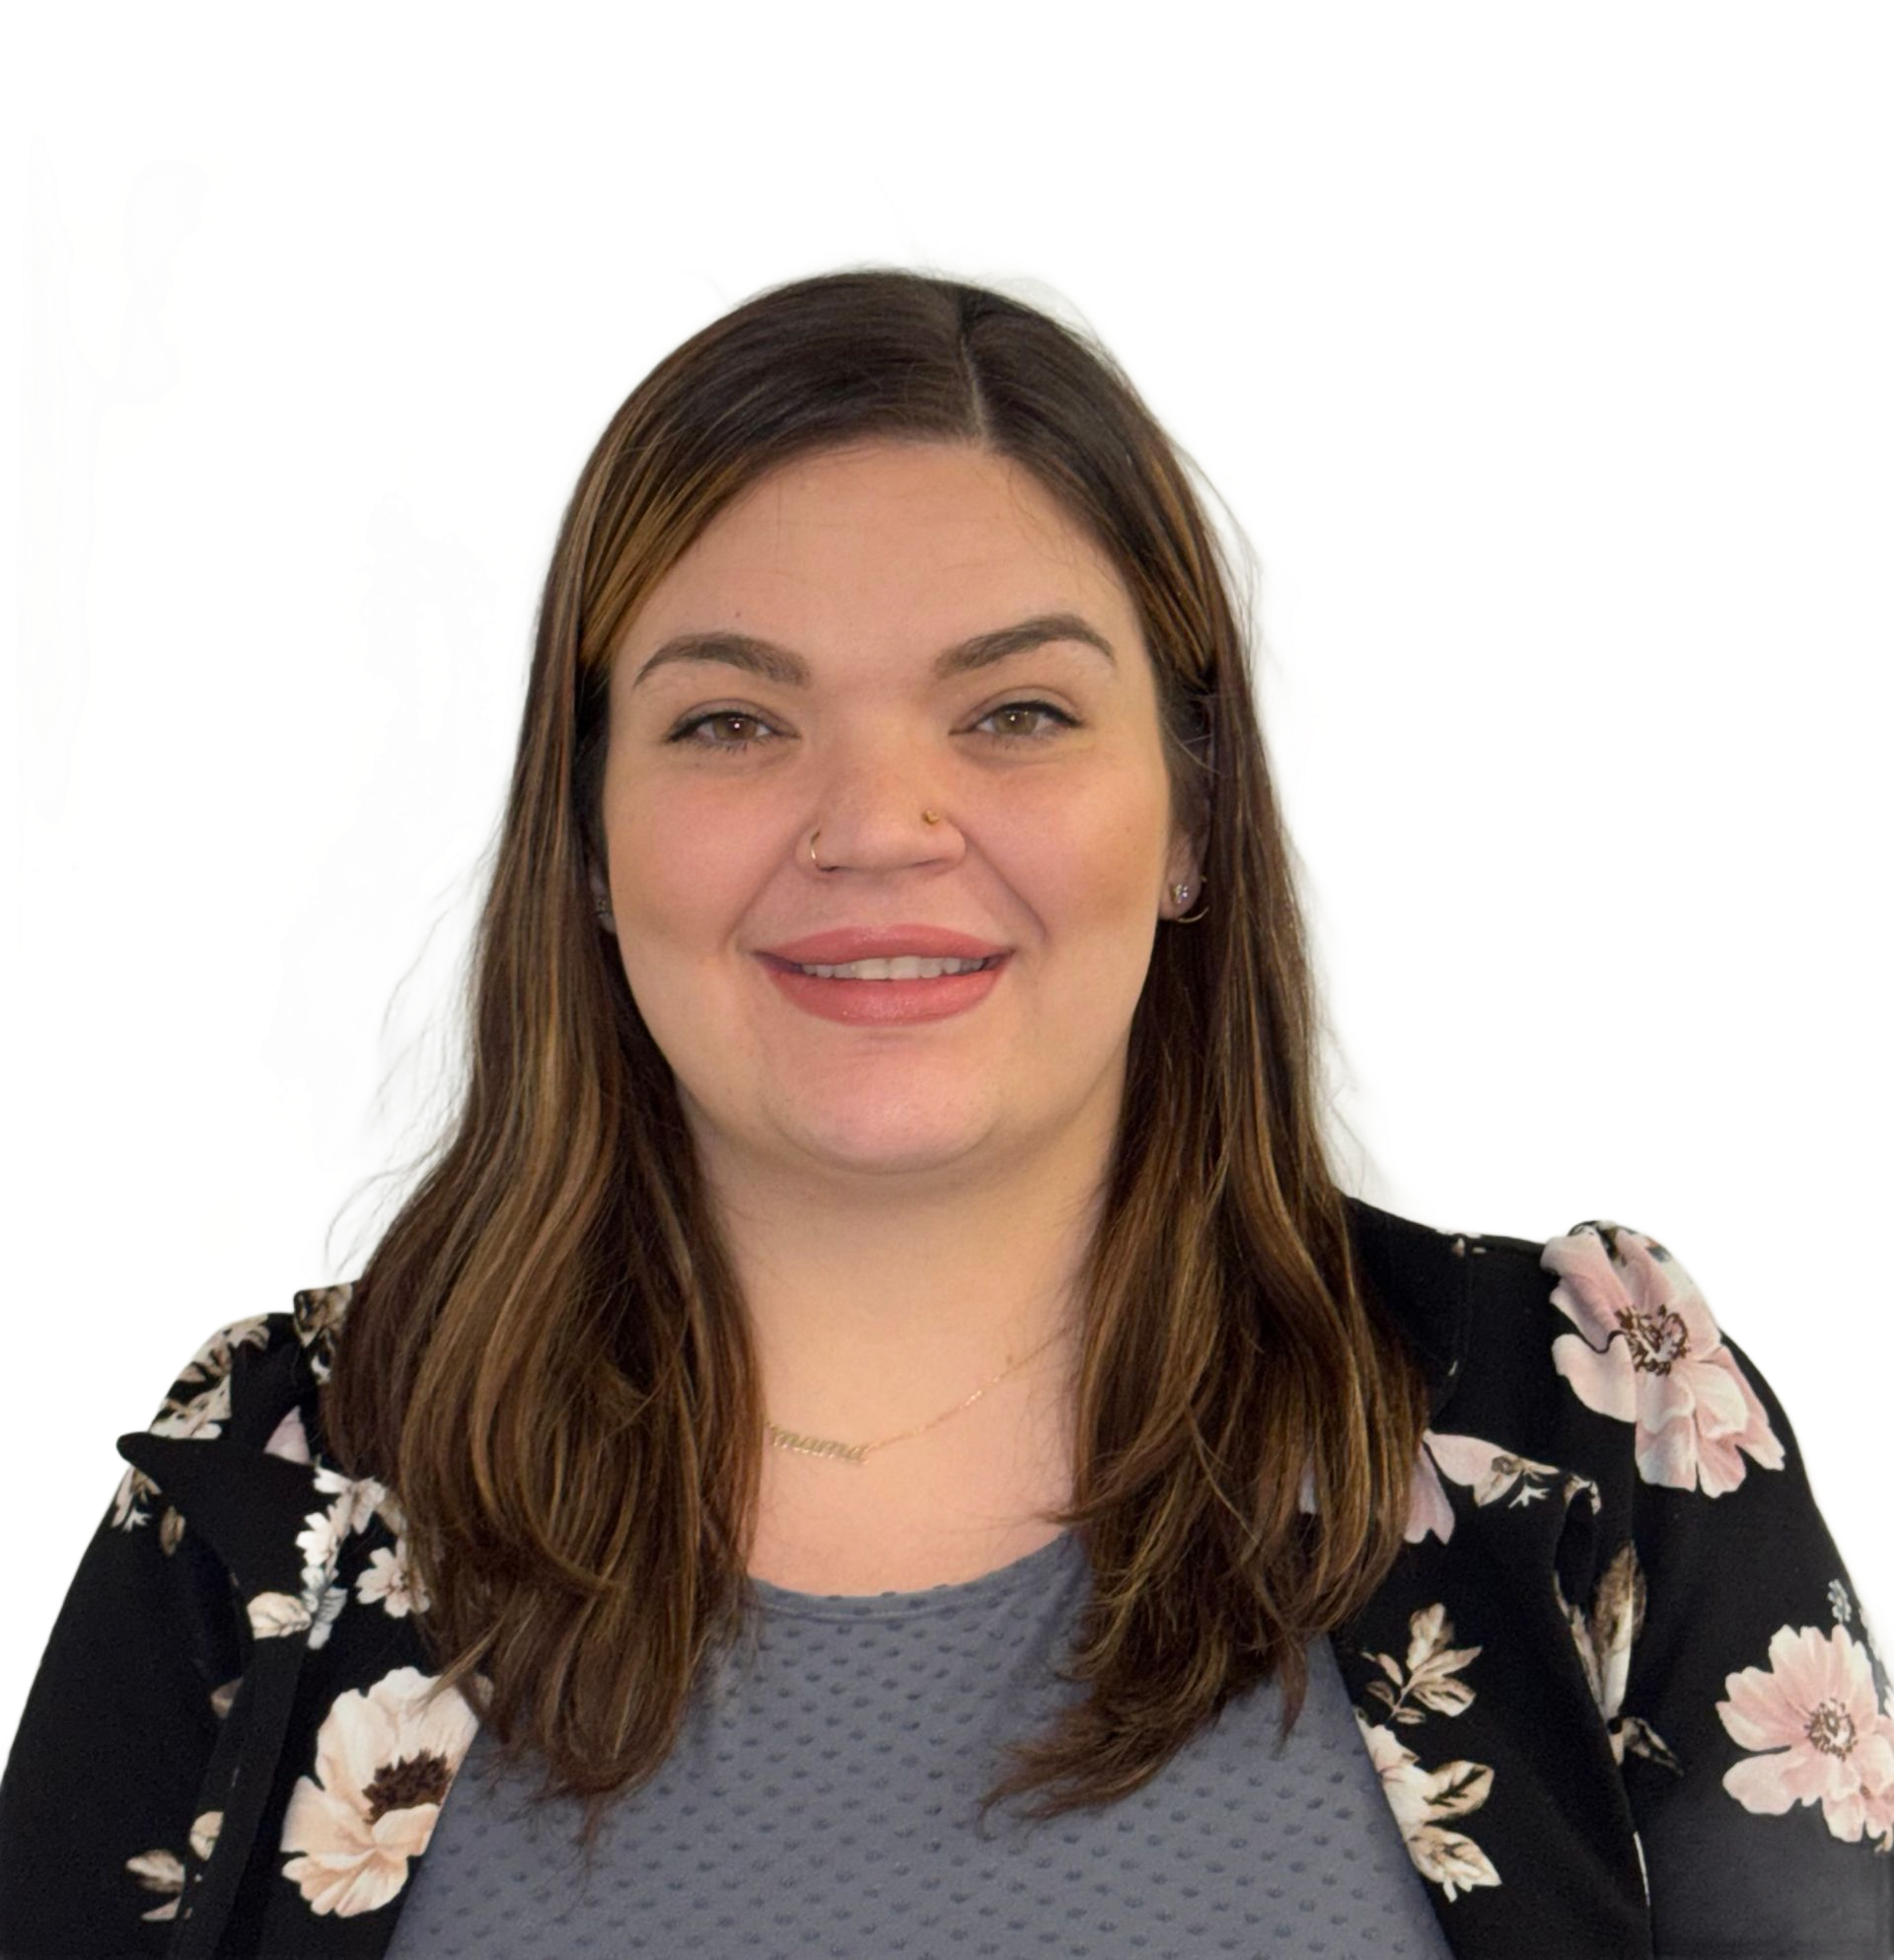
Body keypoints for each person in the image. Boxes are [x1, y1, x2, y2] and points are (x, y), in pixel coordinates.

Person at [2, 264, 1889, 1958]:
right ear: (582, 837)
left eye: (1017, 714)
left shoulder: (1595, 1426)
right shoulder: (271, 1495)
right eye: (732, 720)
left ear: (1202, 816)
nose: (878, 825)